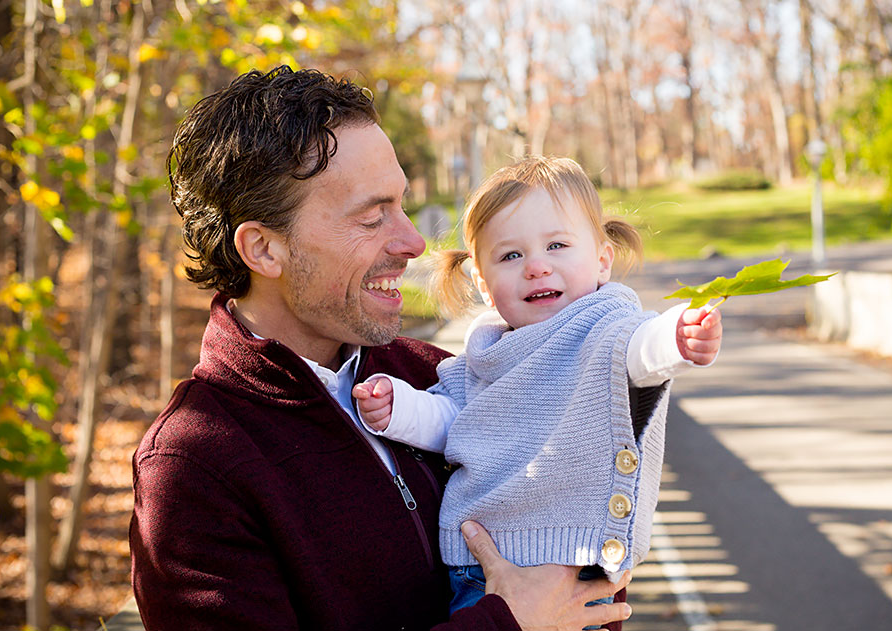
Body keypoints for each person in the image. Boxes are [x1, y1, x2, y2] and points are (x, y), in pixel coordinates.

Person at [129, 66, 634, 631]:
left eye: (402, 205)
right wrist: (504, 623)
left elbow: (569, 586)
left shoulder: (435, 374)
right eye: (374, 217)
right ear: (264, 249)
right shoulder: (195, 467)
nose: (414, 242)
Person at [351, 156, 723, 617]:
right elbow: (453, 420)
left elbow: (641, 351)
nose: (536, 267)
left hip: (572, 567)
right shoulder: (483, 355)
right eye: (511, 255)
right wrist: (398, 407)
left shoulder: (605, 330)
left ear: (602, 261)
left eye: (557, 246)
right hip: (477, 568)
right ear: (484, 285)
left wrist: (678, 338)